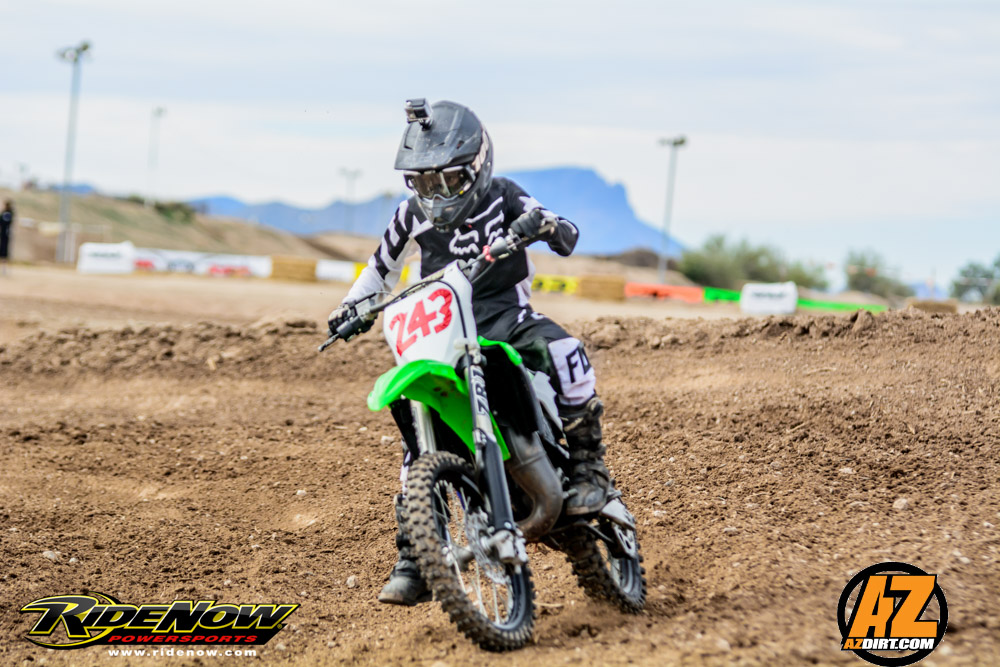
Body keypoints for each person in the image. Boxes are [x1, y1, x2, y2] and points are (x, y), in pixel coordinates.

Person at [328, 100, 611, 606]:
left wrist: (545, 227)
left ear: (478, 166)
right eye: (424, 183)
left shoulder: (504, 195)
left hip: (506, 318)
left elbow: (557, 227)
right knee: (418, 431)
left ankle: (589, 468)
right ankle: (415, 553)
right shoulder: (409, 215)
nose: (436, 194)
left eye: (448, 181)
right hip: (440, 331)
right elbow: (379, 271)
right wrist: (350, 307)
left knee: (566, 348)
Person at [0, 199, 14, 276]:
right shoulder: (4, 213)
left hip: (6, 235)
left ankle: (4, 268)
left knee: (4, 252)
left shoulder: (9, 213)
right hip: (2, 234)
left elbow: (6, 222)